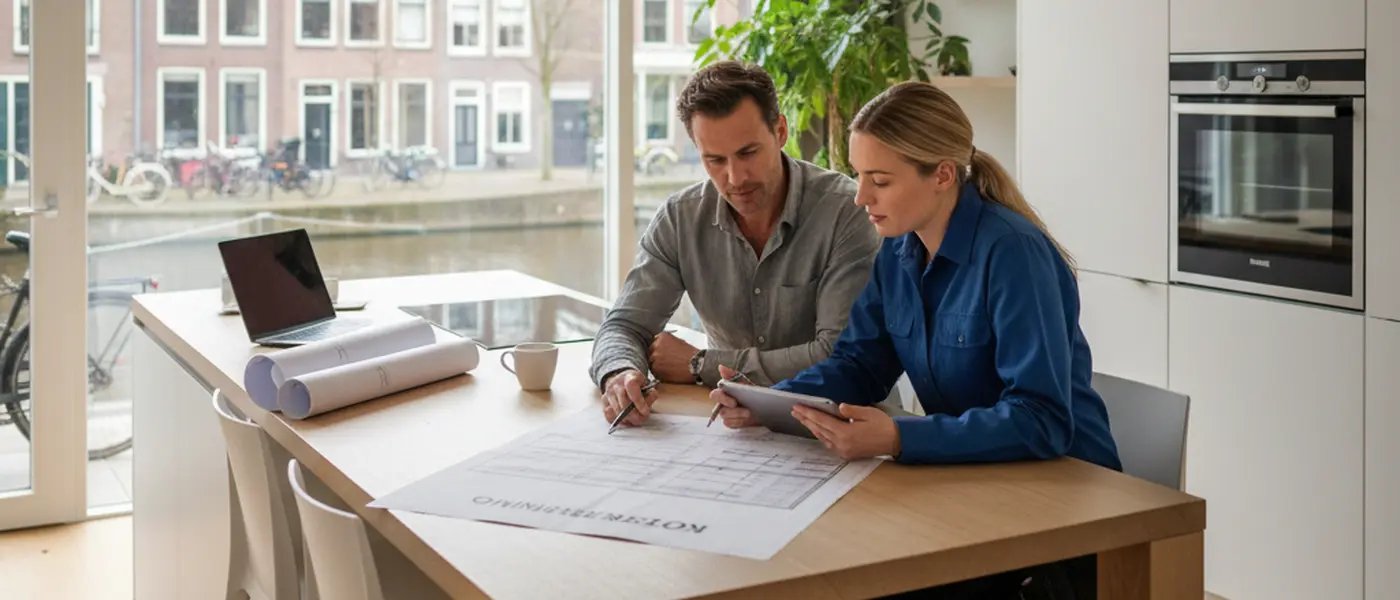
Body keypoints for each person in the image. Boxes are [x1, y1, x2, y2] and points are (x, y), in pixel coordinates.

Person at [710, 81, 1120, 599]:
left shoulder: (1013, 253)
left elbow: (1042, 419)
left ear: (942, 175)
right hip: (970, 487)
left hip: (1064, 512)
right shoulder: (900, 249)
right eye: (859, 176)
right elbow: (861, 363)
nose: (861, 197)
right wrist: (771, 402)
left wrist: (901, 438)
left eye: (879, 180)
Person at [589, 60, 882, 428]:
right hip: (737, 430)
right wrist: (620, 374)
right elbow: (624, 326)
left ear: (780, 131)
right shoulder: (681, 217)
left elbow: (837, 355)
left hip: (846, 426)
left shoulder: (847, 211)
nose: (735, 178)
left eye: (748, 153)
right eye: (714, 160)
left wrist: (700, 364)